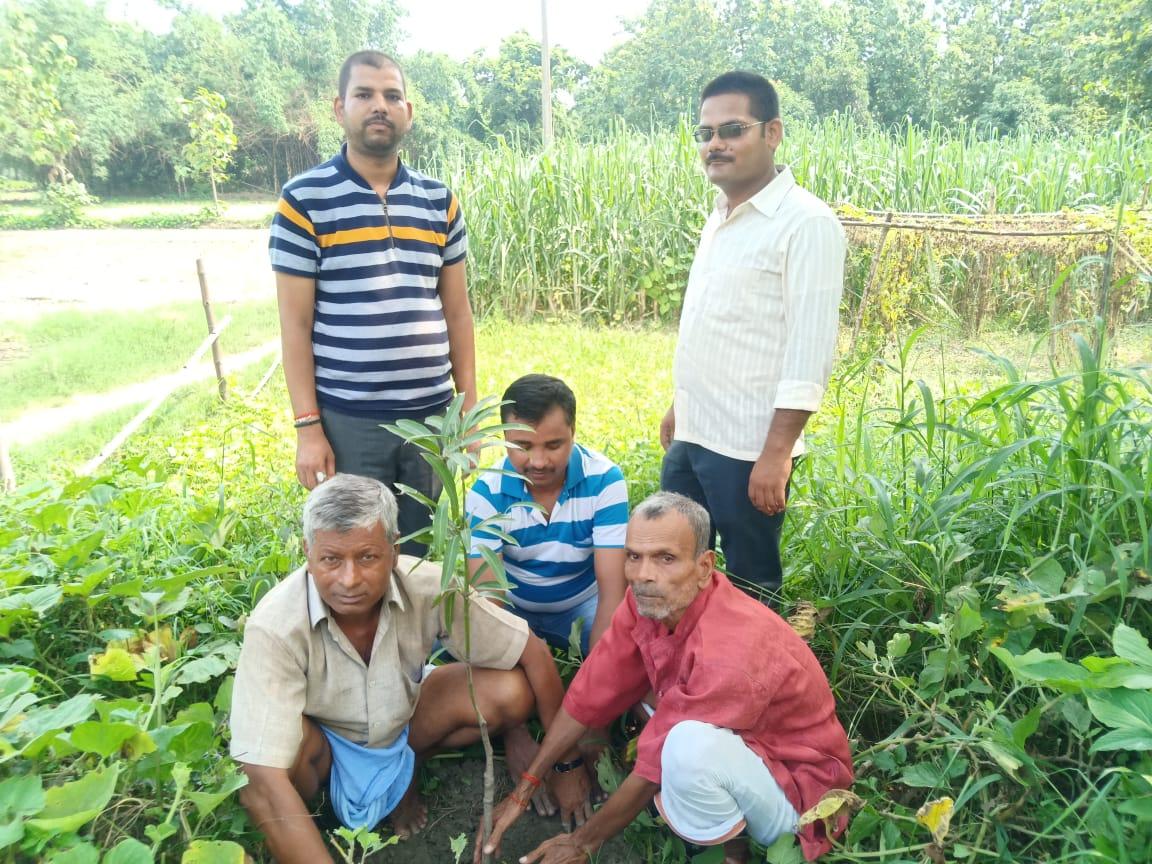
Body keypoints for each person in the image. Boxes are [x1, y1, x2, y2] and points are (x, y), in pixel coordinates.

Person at [476, 492, 854, 864]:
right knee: (657, 711)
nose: (643, 575)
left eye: (665, 558)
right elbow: (591, 691)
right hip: (748, 751)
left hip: (801, 799)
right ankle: (721, 829)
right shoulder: (650, 601)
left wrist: (581, 843)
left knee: (684, 747)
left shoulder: (728, 649)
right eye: (634, 557)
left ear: (704, 567)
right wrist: (524, 789)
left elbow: (654, 762)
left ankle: (735, 851)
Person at [230, 474, 589, 864]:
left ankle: (407, 765)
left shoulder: (426, 584)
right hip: (326, 750)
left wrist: (565, 764)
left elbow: (531, 650)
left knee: (511, 691)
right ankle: (317, 820)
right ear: (308, 552)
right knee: (276, 759)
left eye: (367, 557)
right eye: (331, 560)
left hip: (406, 722)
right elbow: (260, 777)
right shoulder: (275, 625)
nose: (349, 580)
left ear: (394, 549)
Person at [270, 50, 477, 554]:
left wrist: (467, 408)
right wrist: (308, 429)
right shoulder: (304, 200)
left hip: (432, 418)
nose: (379, 105)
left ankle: (417, 614)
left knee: (422, 552)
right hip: (350, 422)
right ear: (339, 108)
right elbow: (294, 326)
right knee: (356, 553)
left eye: (391, 95)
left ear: (409, 111)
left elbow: (457, 312)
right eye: (364, 94)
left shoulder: (439, 201)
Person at [660, 71, 846, 598]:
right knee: (680, 559)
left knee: (750, 578)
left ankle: (754, 653)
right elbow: (716, 324)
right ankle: (691, 647)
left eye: (732, 129)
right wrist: (680, 405)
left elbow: (810, 350)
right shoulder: (720, 217)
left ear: (772, 132)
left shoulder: (805, 223)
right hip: (696, 430)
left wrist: (777, 454)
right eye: (706, 133)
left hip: (748, 445)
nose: (715, 144)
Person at [465, 374, 628, 655]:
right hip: (511, 609)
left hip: (585, 606)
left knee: (629, 651)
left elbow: (612, 594)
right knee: (448, 642)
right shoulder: (486, 493)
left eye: (553, 445)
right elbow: (489, 603)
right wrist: (524, 653)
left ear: (573, 432)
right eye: (523, 446)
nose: (538, 462)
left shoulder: (605, 481)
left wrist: (602, 667)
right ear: (505, 438)